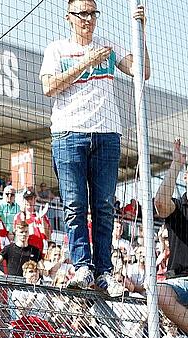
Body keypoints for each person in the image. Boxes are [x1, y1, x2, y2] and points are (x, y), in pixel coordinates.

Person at [41, 0, 148, 294]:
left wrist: (141, 31)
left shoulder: (108, 47)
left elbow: (142, 71)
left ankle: (104, 271)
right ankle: (82, 267)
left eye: (92, 13)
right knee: (75, 204)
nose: (88, 19)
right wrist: (86, 62)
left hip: (106, 134)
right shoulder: (57, 49)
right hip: (68, 133)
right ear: (69, 17)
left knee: (103, 206)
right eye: (82, 14)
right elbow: (49, 87)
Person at [155, 139, 188, 334]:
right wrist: (176, 164)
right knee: (160, 293)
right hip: (179, 281)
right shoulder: (178, 206)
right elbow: (160, 202)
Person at [14, 190, 52, 255]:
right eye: (27, 199)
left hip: (40, 251)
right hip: (25, 250)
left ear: (35, 200)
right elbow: (19, 231)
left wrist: (42, 218)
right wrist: (24, 214)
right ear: (23, 201)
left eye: (31, 199)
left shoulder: (42, 216)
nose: (29, 201)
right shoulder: (19, 216)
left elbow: (48, 236)